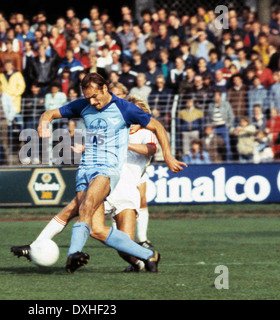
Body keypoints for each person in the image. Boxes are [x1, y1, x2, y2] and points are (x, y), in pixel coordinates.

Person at [36, 73, 186, 273]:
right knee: (96, 229)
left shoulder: (124, 108)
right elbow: (50, 114)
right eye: (88, 97)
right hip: (87, 168)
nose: (92, 101)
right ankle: (148, 255)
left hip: (107, 170)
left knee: (85, 207)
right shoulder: (84, 105)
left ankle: (73, 254)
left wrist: (167, 156)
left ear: (105, 88)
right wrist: (42, 124)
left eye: (95, 96)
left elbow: (157, 126)